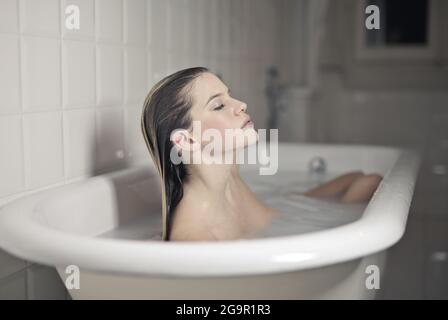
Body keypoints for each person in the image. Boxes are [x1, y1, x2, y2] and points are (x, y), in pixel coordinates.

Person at [141, 67, 382, 242]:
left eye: (230, 95)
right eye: (219, 105)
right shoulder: (196, 240)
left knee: (363, 178)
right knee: (368, 183)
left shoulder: (226, 175)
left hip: (289, 218)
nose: (241, 104)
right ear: (187, 140)